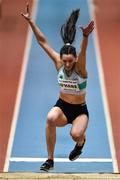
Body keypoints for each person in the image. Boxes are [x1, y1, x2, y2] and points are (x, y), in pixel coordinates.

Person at [21, 2, 94, 172]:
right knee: (50, 118)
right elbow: (42, 42)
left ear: (75, 59)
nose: (67, 64)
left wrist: (85, 36)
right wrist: (31, 22)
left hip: (79, 111)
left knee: (75, 135)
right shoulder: (58, 63)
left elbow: (83, 53)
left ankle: (81, 143)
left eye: (70, 60)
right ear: (61, 58)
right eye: (65, 60)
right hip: (62, 106)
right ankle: (50, 160)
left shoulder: (80, 68)